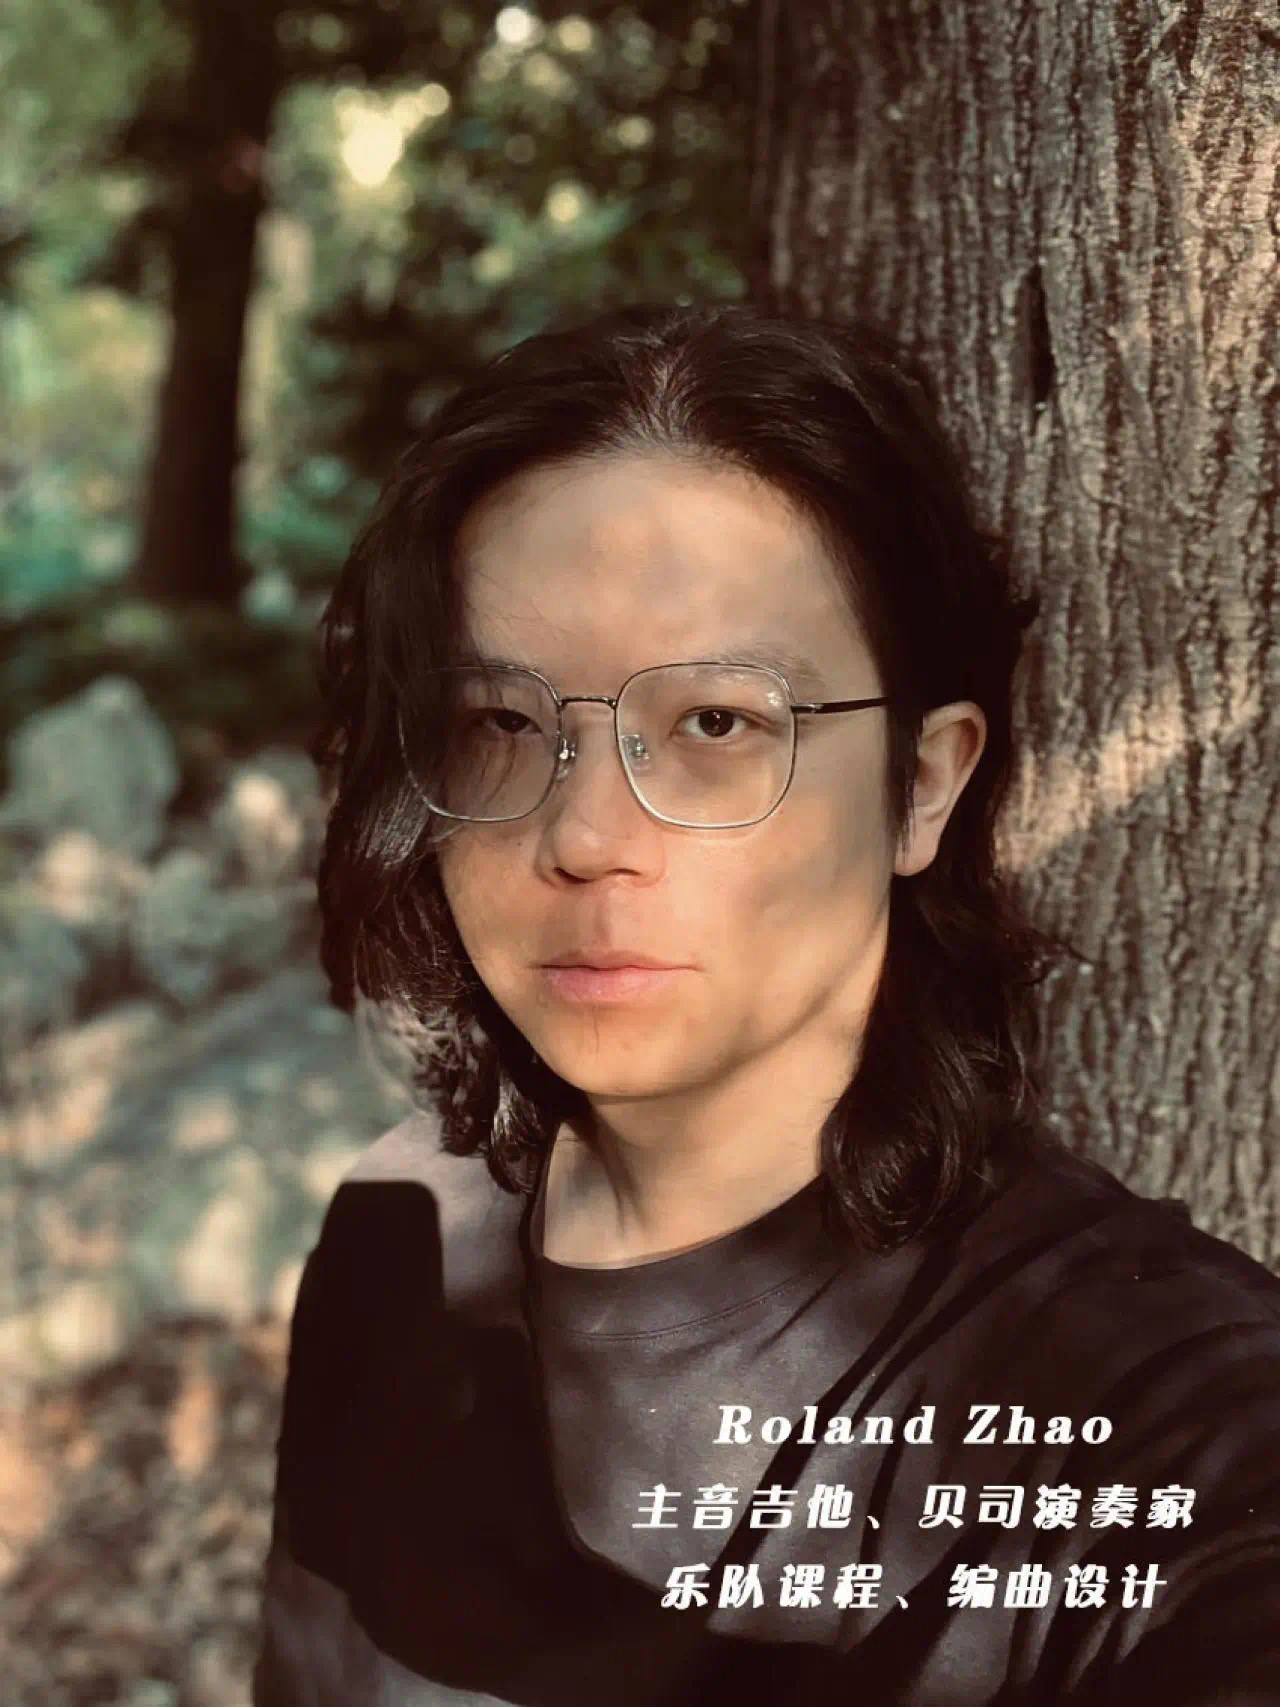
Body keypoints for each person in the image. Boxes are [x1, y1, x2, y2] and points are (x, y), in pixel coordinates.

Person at [251, 303, 1280, 1707]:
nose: (584, 836)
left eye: (717, 724)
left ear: (923, 787)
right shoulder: (400, 1237)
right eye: (502, 724)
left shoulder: (1161, 1407)